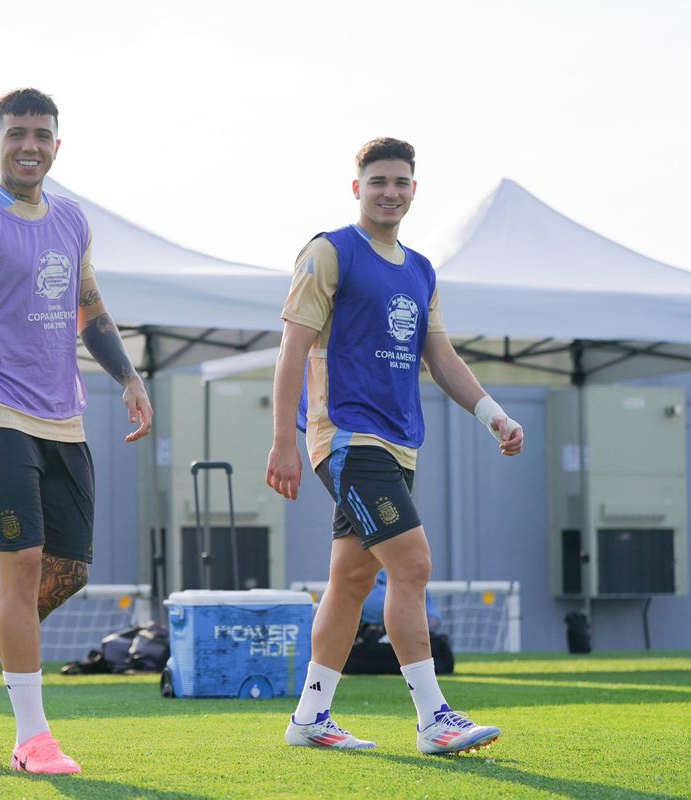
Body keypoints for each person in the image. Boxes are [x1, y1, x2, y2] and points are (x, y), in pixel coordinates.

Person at [0, 87, 152, 776]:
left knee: (67, 574)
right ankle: (32, 739)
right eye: (16, 132)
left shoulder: (73, 221)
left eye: (41, 134)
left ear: (57, 145)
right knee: (20, 570)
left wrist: (129, 378)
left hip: (65, 419)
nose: (29, 144)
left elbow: (90, 309)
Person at [265, 137, 523, 755]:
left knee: (351, 582)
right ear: (357, 188)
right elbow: (292, 350)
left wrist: (493, 415)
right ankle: (434, 718)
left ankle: (309, 718)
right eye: (378, 181)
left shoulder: (420, 269)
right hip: (349, 438)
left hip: (400, 445)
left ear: (414, 189)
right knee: (412, 565)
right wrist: (283, 441)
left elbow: (440, 355)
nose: (390, 192)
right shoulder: (330, 253)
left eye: (401, 182)